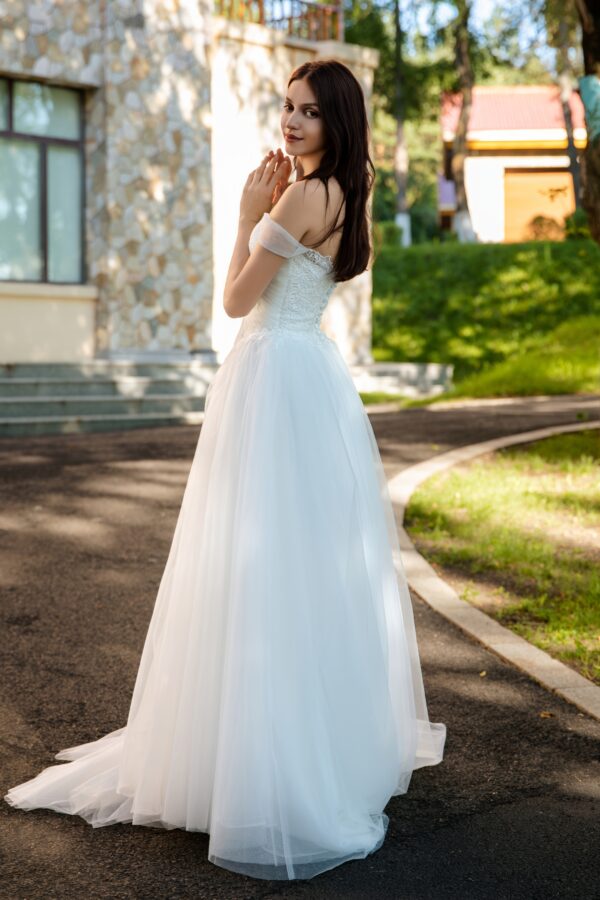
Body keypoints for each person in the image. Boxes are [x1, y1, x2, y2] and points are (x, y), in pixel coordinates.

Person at [4, 59, 446, 881]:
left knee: (254, 567)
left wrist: (247, 210)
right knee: (308, 567)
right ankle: (304, 746)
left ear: (337, 122)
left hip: (271, 376)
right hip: (311, 375)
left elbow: (237, 303)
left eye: (308, 112)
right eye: (286, 107)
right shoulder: (349, 193)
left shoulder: (302, 195)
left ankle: (261, 766)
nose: (291, 122)